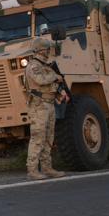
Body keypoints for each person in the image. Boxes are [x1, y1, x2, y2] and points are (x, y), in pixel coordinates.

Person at [24, 36, 69, 180]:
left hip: (49, 104)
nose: (48, 52)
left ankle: (47, 168)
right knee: (38, 137)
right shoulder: (33, 66)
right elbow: (40, 80)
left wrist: (59, 93)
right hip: (39, 106)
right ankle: (32, 170)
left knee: (49, 138)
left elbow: (49, 86)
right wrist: (55, 77)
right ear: (41, 50)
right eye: (47, 49)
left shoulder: (46, 66)